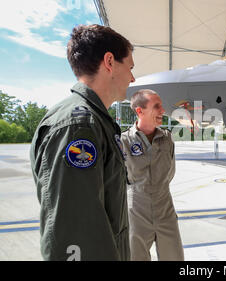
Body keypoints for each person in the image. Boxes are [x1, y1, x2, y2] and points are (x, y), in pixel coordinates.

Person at [29, 24, 135, 261]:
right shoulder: (78, 127)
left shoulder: (93, 121)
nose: (132, 77)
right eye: (130, 67)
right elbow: (73, 230)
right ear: (109, 62)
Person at [121, 89, 184, 261]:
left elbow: (170, 172)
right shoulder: (123, 141)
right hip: (136, 211)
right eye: (156, 106)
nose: (162, 111)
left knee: (174, 257)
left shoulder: (167, 139)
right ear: (139, 111)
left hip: (165, 208)